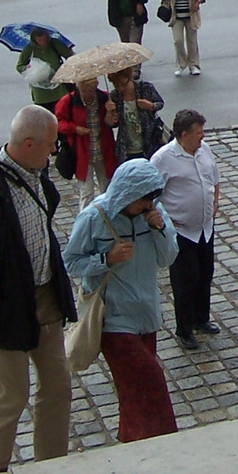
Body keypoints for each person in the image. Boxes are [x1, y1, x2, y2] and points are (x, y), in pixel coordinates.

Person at [0, 106, 77, 474]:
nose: (53, 153)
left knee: (58, 385)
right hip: (5, 308)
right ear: (28, 143)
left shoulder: (37, 174)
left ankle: (50, 464)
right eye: (50, 146)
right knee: (13, 394)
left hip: (45, 297)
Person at [63, 159, 179, 443]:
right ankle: (166, 441)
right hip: (113, 319)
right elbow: (70, 262)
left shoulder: (154, 214)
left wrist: (160, 229)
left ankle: (130, 440)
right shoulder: (93, 218)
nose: (150, 205)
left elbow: (168, 258)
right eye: (145, 199)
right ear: (129, 195)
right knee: (151, 381)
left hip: (146, 315)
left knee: (131, 390)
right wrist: (106, 259)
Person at [150, 110, 220, 351]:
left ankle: (202, 318)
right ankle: (185, 328)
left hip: (205, 228)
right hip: (181, 231)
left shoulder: (204, 150)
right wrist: (165, 220)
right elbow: (151, 194)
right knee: (185, 281)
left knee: (205, 274)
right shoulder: (163, 159)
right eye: (198, 133)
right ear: (183, 135)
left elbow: (214, 178)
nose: (202, 137)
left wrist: (216, 202)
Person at [54, 79, 116, 204]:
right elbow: (58, 122)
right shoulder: (69, 101)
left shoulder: (104, 98)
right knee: (87, 192)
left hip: (103, 150)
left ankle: (107, 217)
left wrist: (111, 112)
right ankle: (85, 220)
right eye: (84, 91)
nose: (88, 94)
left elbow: (112, 124)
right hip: (81, 152)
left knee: (107, 188)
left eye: (90, 91)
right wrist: (75, 128)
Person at [105, 66, 165, 164]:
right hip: (128, 147)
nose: (121, 88)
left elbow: (160, 103)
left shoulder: (145, 88)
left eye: (124, 84)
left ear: (130, 79)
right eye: (116, 86)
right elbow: (110, 124)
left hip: (149, 143)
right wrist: (109, 112)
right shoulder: (115, 96)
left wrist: (151, 106)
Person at [16, 27, 73, 110]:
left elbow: (70, 55)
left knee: (62, 113)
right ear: (34, 39)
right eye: (40, 40)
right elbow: (19, 66)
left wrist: (67, 68)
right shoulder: (29, 49)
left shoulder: (54, 44)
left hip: (59, 88)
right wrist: (27, 68)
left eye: (44, 39)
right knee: (44, 117)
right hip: (40, 93)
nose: (43, 42)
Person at [160, 0, 206, 76]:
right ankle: (181, 64)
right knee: (178, 41)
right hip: (176, 16)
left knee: (192, 41)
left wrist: (197, 2)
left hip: (191, 15)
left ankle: (194, 65)